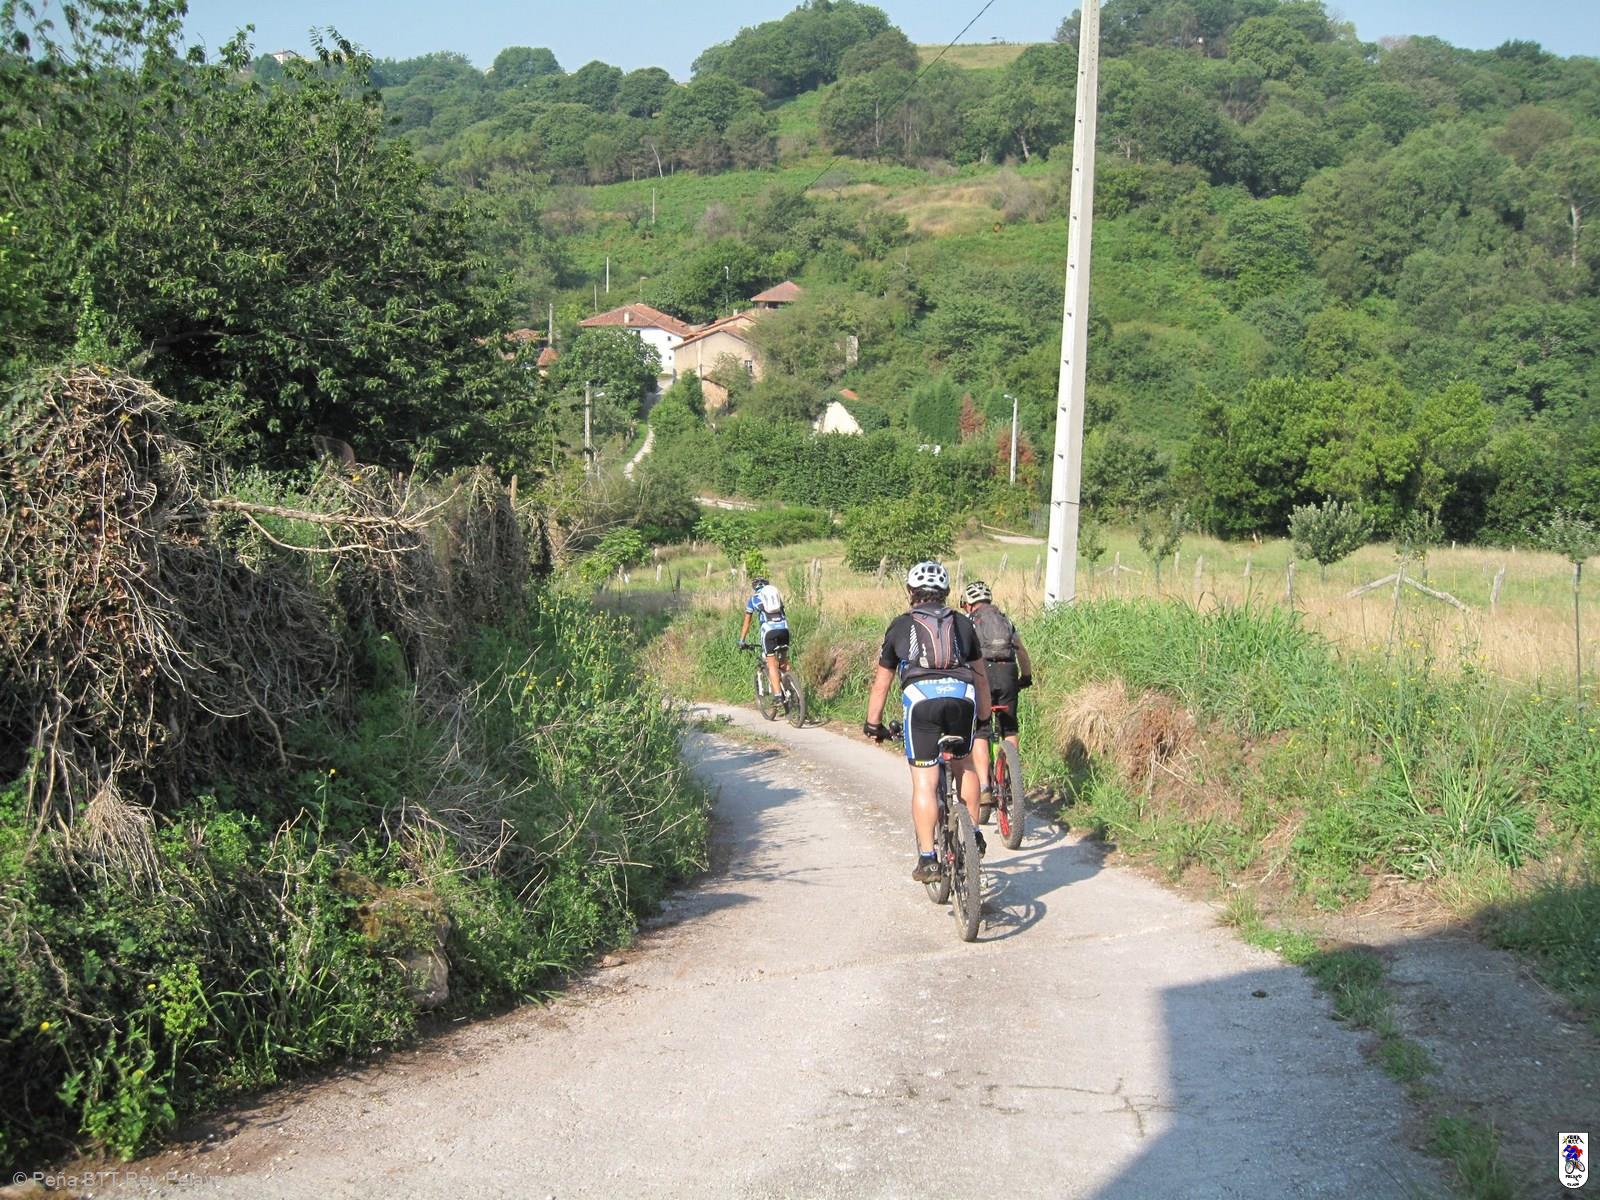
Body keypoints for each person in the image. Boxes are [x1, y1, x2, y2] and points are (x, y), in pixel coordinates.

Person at [863, 561, 993, 882]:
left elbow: (881, 684)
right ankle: (974, 833)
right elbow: (981, 678)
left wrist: (873, 724)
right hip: (962, 699)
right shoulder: (962, 623)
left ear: (911, 592)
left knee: (925, 781)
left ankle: (928, 859)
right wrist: (984, 717)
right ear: (945, 592)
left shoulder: (900, 625)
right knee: (964, 765)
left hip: (922, 702)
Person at [959, 580, 1034, 814]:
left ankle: (984, 787)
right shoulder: (1005, 620)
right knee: (1009, 728)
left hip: (983, 674)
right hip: (1008, 672)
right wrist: (1026, 676)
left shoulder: (969, 621)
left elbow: (961, 655)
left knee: (981, 729)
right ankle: (1012, 778)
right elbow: (1021, 651)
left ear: (969, 604)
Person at [738, 576, 789, 701]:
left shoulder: (753, 599)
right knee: (784, 660)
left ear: (754, 587)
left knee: (771, 664)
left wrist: (742, 640)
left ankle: (778, 695)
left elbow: (747, 622)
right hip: (784, 629)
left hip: (769, 631)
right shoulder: (775, 597)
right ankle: (791, 689)